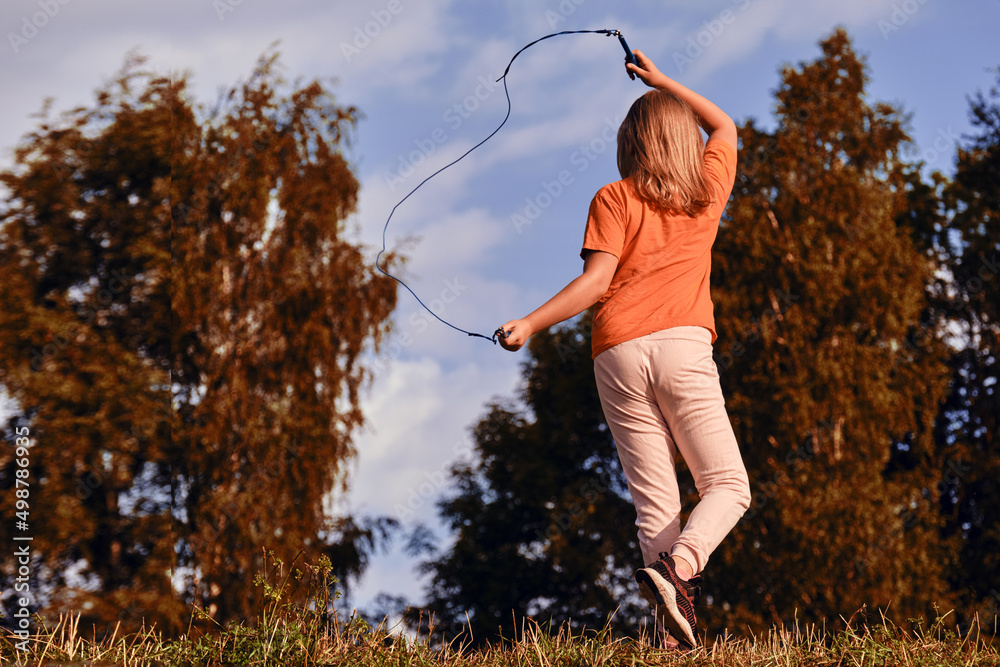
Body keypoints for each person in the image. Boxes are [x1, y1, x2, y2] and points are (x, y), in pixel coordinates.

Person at [497, 49, 752, 650]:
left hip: (616, 353)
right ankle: (682, 568)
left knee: (654, 499)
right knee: (728, 485)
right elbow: (725, 126)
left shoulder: (613, 197)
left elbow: (595, 284)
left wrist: (530, 324)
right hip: (683, 346)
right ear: (681, 140)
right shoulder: (706, 193)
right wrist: (664, 81)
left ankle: (671, 638)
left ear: (632, 143)